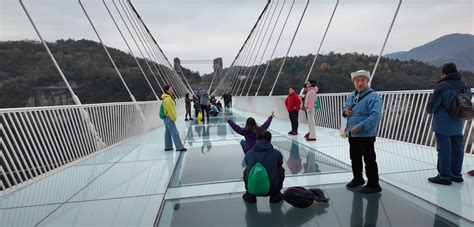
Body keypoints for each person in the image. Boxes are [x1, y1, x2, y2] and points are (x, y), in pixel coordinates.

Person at [426, 62, 472, 185]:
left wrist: (430, 110)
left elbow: (431, 107)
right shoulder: (466, 86)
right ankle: (456, 174)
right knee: (458, 148)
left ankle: (444, 176)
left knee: (444, 149)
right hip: (458, 122)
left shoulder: (442, 86)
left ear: (443, 73)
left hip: (443, 123)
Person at [343, 70, 382, 194]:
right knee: (354, 157)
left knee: (369, 159)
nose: (360, 83)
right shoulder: (351, 95)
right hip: (352, 133)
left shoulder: (374, 96)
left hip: (366, 134)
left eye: (363, 80)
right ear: (353, 82)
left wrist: (360, 126)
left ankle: (374, 184)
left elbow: (375, 116)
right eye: (357, 80)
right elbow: (345, 109)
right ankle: (358, 179)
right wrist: (345, 112)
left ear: (368, 81)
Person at [242, 129, 285, 204]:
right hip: (271, 189)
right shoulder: (276, 153)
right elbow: (280, 164)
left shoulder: (249, 153)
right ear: (270, 140)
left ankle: (250, 195)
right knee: (280, 169)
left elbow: (247, 164)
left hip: (252, 188)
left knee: (247, 170)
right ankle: (276, 195)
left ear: (257, 140)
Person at [162, 85, 187, 152]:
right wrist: (173, 117)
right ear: (167, 91)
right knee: (175, 132)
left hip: (166, 117)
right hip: (169, 117)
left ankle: (168, 146)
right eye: (170, 89)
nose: (172, 90)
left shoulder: (167, 98)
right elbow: (170, 110)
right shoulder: (168, 99)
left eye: (172, 89)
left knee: (167, 132)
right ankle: (179, 147)